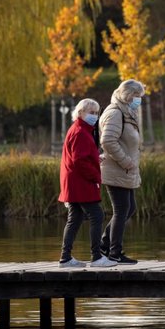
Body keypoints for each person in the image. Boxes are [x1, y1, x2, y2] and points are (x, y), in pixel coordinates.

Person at [57, 98, 116, 268]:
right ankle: (96, 257)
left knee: (74, 218)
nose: (95, 116)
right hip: (81, 182)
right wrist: (95, 176)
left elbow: (80, 156)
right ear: (81, 112)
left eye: (97, 112)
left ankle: (65, 258)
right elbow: (79, 161)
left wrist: (95, 159)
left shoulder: (80, 129)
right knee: (97, 215)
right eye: (91, 112)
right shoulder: (81, 132)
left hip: (73, 181)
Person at [98, 79, 145, 265]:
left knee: (129, 208)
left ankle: (104, 244)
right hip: (117, 169)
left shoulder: (126, 112)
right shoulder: (115, 112)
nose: (139, 100)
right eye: (137, 96)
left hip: (125, 170)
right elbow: (108, 141)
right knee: (122, 209)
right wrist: (126, 161)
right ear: (128, 95)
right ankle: (114, 253)